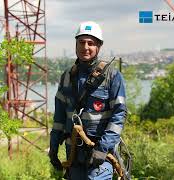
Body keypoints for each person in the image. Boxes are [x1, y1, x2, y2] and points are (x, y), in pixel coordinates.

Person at [49, 21, 127, 179]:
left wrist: (102, 148)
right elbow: (59, 117)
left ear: (99, 46)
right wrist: (53, 147)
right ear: (76, 44)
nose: (85, 47)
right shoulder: (67, 77)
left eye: (90, 43)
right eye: (81, 42)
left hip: (100, 155)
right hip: (73, 156)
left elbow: (119, 115)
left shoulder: (111, 76)